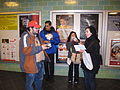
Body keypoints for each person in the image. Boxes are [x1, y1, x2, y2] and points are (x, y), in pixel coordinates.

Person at [19, 20, 50, 90]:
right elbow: (26, 50)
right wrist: (41, 47)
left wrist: (46, 43)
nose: (38, 30)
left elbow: (40, 43)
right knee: (29, 84)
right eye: (36, 28)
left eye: (38, 28)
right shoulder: (25, 36)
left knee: (39, 81)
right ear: (30, 28)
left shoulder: (37, 36)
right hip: (31, 64)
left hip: (40, 62)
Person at [79, 26, 101, 90]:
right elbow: (86, 49)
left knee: (91, 79)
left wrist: (85, 50)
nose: (85, 33)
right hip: (86, 63)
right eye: (85, 31)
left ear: (92, 32)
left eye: (87, 31)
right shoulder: (87, 40)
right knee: (86, 79)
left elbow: (93, 52)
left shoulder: (95, 41)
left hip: (93, 63)